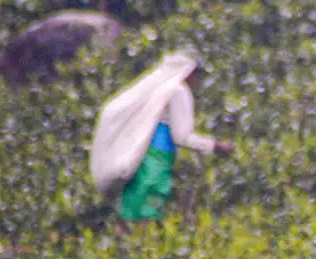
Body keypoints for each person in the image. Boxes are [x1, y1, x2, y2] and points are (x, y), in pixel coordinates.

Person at [90, 53, 233, 224]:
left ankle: (128, 241)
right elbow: (182, 136)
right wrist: (215, 146)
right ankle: (143, 242)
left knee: (132, 204)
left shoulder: (159, 90)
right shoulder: (178, 90)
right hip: (157, 156)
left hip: (141, 156)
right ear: (189, 72)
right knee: (150, 204)